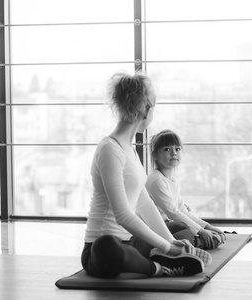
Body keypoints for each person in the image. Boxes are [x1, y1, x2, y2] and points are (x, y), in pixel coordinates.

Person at [81, 72, 211, 279]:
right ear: (147, 109)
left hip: (130, 242)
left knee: (180, 229)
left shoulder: (130, 150)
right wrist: (169, 249)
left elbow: (144, 204)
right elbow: (123, 215)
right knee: (106, 246)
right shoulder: (109, 149)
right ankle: (161, 268)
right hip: (101, 250)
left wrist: (170, 241)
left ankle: (153, 258)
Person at [146, 129, 226, 250]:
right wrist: (201, 231)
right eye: (167, 149)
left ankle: (195, 243)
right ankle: (194, 244)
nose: (174, 153)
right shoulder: (156, 180)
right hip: (155, 229)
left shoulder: (171, 179)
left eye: (177, 149)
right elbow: (173, 212)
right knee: (182, 227)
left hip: (168, 224)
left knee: (187, 227)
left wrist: (207, 227)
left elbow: (181, 209)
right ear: (155, 155)